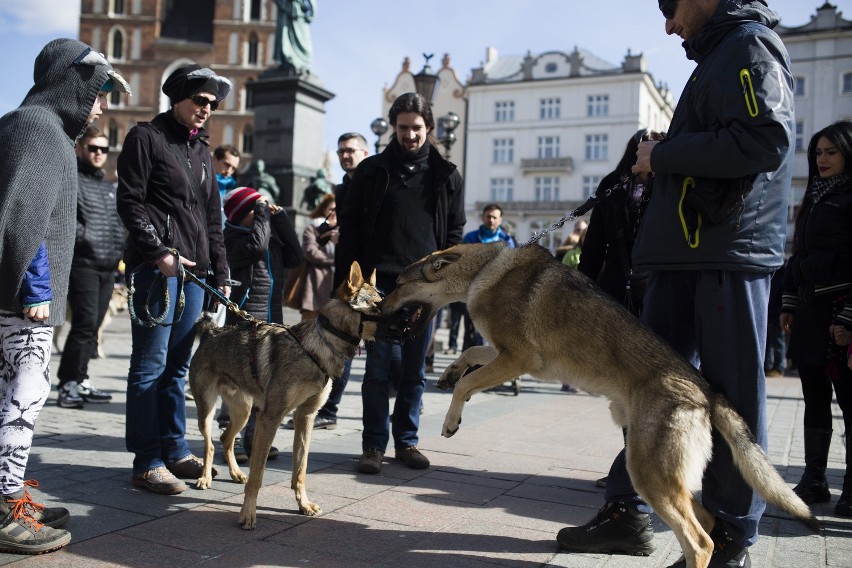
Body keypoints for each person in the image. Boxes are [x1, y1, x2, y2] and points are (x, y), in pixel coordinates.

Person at [556, 1, 795, 566]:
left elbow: (768, 138)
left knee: (730, 399)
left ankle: (730, 537)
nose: (668, 24)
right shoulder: (721, 52)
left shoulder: (749, 45)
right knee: (646, 389)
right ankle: (628, 510)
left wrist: (663, 154)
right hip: (687, 254)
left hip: (722, 253)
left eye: (671, 6)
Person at [0, 38, 129, 554]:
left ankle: (12, 499)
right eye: (99, 91)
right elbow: (20, 215)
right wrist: (33, 288)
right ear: (75, 83)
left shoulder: (39, 127)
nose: (103, 106)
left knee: (14, 395)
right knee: (21, 398)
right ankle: (8, 510)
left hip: (23, 295)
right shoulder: (37, 128)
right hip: (21, 299)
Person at [335, 93, 465, 474]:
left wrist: (445, 277)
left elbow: (455, 231)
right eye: (404, 127)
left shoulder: (446, 174)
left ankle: (406, 442)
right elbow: (351, 229)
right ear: (394, 126)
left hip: (425, 286)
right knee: (377, 370)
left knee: (413, 370)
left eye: (417, 128)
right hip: (378, 286)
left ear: (429, 129)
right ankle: (373, 445)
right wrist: (349, 284)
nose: (410, 135)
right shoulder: (372, 170)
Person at [116, 63, 231, 496]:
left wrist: (220, 276)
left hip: (195, 277)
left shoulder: (201, 149)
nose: (206, 109)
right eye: (200, 100)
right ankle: (146, 461)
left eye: (213, 104)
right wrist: (158, 251)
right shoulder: (146, 138)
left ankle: (175, 449)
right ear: (178, 97)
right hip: (157, 272)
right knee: (149, 366)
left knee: (178, 367)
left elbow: (211, 220)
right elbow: (129, 202)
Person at [781, 121, 852, 518]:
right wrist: (789, 302)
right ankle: (814, 479)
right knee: (814, 401)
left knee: (850, 403)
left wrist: (849, 318)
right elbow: (799, 255)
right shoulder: (814, 196)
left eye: (831, 152)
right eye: (818, 153)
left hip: (840, 311)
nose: (822, 160)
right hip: (810, 313)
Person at [222, 186, 302, 459]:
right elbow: (257, 247)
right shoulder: (232, 239)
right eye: (257, 209)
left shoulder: (268, 232)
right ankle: (237, 439)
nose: (264, 212)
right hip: (246, 319)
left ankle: (256, 438)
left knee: (265, 383)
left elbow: (295, 257)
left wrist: (281, 219)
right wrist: (261, 213)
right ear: (244, 213)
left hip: (273, 320)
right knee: (245, 383)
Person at [56, 126, 125, 409]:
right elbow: (64, 220)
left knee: (94, 325)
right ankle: (67, 383)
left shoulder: (108, 186)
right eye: (93, 148)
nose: (99, 154)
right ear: (80, 149)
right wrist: (83, 240)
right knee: (83, 324)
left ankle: (81, 378)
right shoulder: (71, 180)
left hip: (108, 266)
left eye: (103, 149)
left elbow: (118, 224)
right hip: (82, 264)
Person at [578, 129, 664, 318]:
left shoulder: (668, 184)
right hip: (616, 283)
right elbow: (594, 243)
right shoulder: (612, 184)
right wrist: (582, 288)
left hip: (658, 285)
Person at [461, 204, 516, 350]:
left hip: (498, 296)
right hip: (473, 292)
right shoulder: (470, 237)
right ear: (482, 217)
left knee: (494, 333)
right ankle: (468, 368)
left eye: (494, 217)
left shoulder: (508, 241)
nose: (491, 220)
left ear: (500, 220)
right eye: (488, 216)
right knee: (471, 332)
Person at [298, 194, 338, 320]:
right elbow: (311, 252)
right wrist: (334, 260)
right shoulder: (313, 227)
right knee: (307, 327)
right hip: (315, 282)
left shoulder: (342, 230)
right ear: (324, 210)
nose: (334, 212)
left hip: (336, 285)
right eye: (331, 209)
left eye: (337, 209)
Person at [273, 0, 315, 74]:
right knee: (285, 37)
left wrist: (312, 11)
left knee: (303, 43)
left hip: (297, 12)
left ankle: (300, 62)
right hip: (286, 10)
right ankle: (288, 59)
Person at [765, 261, 786, 378]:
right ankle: (769, 366)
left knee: (778, 341)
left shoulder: (781, 274)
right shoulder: (773, 274)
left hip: (776, 313)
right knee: (769, 342)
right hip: (771, 312)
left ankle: (779, 367)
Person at [212, 144, 241, 225]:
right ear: (214, 159)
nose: (229, 171)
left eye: (233, 168)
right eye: (227, 165)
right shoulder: (201, 182)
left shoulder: (233, 191)